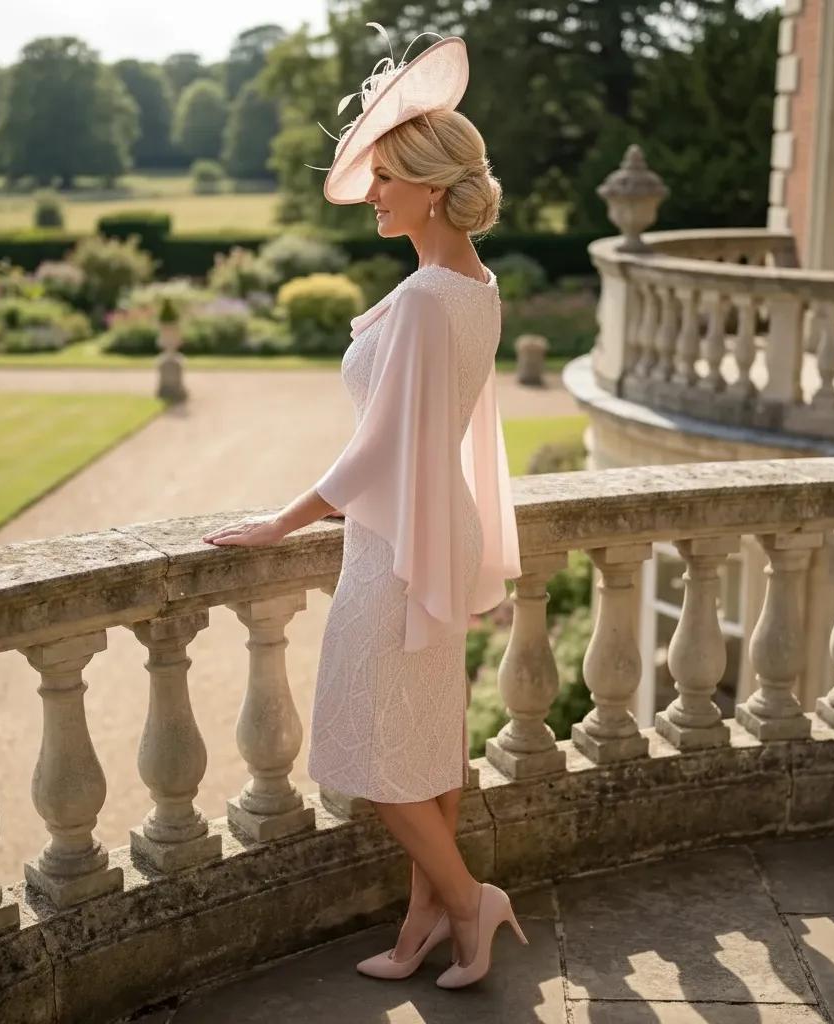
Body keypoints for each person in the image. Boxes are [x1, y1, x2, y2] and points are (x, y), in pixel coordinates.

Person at [200, 25, 526, 989]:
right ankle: (426, 925)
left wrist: (281, 522)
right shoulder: (477, 285)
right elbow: (428, 436)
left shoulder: (430, 297)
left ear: (429, 186)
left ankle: (470, 902)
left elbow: (384, 443)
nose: (372, 195)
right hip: (432, 527)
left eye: (385, 178)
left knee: (377, 757)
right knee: (426, 749)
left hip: (395, 547)